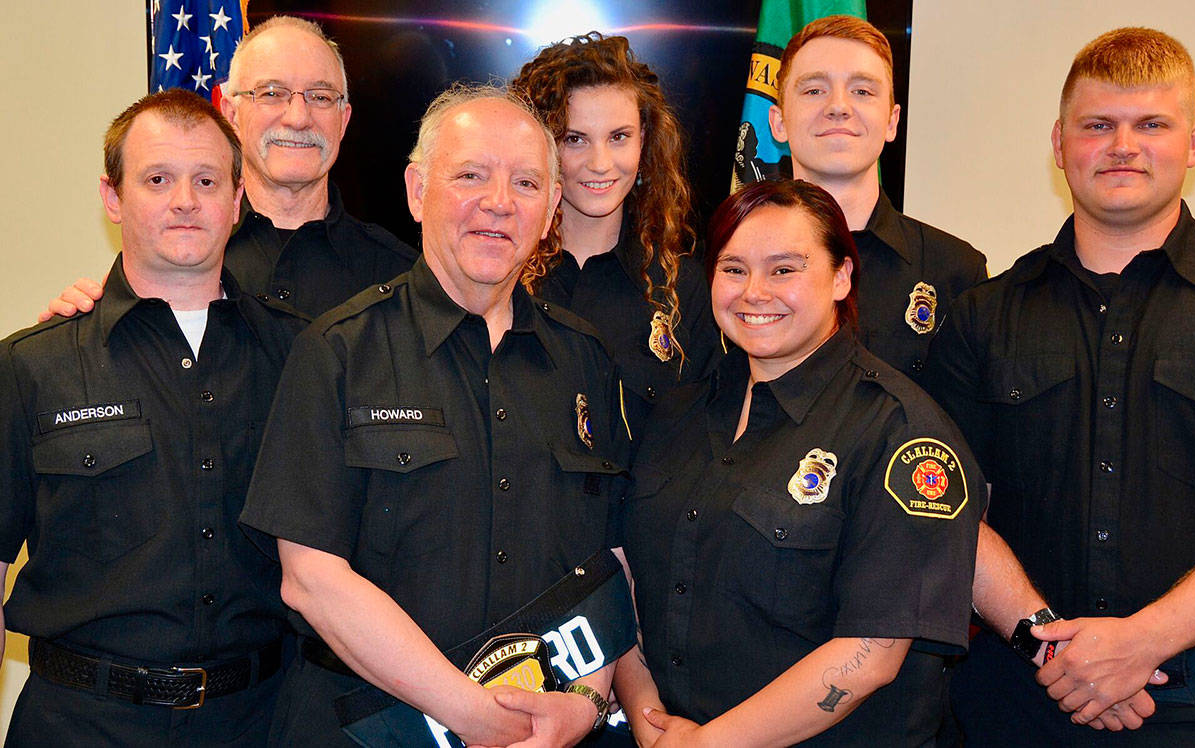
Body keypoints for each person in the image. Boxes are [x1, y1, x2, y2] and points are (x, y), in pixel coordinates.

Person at [238, 83, 632, 747]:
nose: (499, 203)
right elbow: (311, 579)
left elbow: (611, 562)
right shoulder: (338, 352)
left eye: (527, 183)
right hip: (366, 730)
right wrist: (471, 713)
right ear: (418, 191)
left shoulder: (586, 362)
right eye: (471, 175)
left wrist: (587, 703)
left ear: (551, 209)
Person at [925, 27, 1195, 745]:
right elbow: (947, 513)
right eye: (1098, 126)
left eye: (1152, 123)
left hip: (1194, 702)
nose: (1124, 145)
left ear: (1194, 139)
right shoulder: (984, 315)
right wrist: (1054, 646)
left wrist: (1140, 642)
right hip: (1012, 698)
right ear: (1060, 144)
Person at [614, 179, 983, 746]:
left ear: (841, 276)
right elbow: (629, 574)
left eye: (784, 270)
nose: (754, 292)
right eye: (733, 268)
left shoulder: (899, 433)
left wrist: (708, 744)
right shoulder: (678, 413)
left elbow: (871, 656)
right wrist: (646, 713)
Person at [0, 89, 305, 744]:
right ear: (112, 198)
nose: (185, 201)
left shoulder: (305, 359)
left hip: (264, 721)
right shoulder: (31, 367)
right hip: (80, 725)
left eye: (205, 180)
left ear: (237, 198)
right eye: (157, 179)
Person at [43, 15, 416, 321]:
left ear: (343, 119)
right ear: (231, 115)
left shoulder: (403, 277)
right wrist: (79, 332)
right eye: (271, 93)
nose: (299, 117)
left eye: (320, 97)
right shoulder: (178, 253)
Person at [511, 32, 719, 429]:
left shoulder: (688, 288)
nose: (601, 163)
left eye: (618, 137)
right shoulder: (502, 278)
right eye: (575, 139)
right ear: (541, 148)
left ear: (645, 142)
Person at [768, 15, 986, 377]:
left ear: (891, 121)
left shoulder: (956, 272)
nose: (838, 106)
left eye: (862, 91)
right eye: (814, 90)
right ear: (778, 122)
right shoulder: (728, 268)